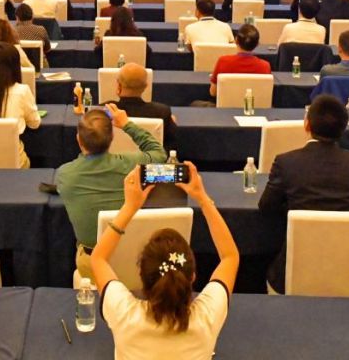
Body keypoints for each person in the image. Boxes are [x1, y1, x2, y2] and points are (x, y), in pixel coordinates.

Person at [91, 163, 238, 358]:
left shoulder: (124, 315)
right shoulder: (207, 317)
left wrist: (130, 207)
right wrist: (202, 198)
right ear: (192, 277)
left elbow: (98, 258)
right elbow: (230, 257)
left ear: (141, 275)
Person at [259, 95, 349, 293]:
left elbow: (266, 206)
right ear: (343, 129)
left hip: (291, 273)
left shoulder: (287, 163)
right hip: (348, 271)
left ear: (307, 125)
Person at [56, 105, 167, 278]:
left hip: (91, 265)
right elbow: (159, 154)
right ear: (112, 137)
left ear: (78, 139)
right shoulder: (132, 166)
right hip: (134, 258)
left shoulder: (64, 174)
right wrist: (127, 124)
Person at [112, 63, 178, 150]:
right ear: (145, 86)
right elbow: (171, 146)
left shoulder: (106, 110)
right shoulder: (162, 112)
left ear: (118, 85)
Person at [209, 23, 270, 97]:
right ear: (257, 44)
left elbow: (213, 92)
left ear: (236, 40)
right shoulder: (265, 66)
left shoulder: (223, 61)